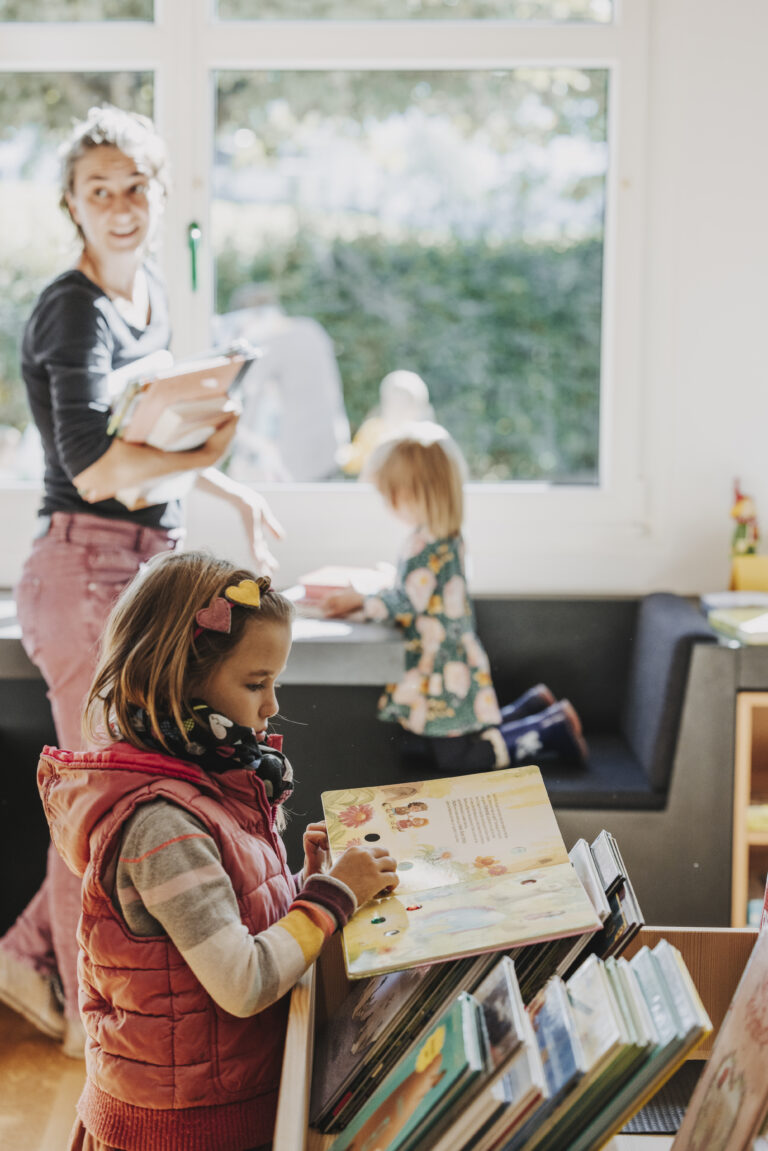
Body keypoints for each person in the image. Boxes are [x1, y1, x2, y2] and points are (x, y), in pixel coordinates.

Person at [0, 105, 283, 1058]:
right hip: (85, 569)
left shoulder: (148, 294)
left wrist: (231, 487)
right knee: (110, 804)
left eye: (135, 187)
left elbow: (149, 437)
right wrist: (210, 443)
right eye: (99, 191)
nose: (120, 206)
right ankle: (95, 1026)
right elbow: (97, 467)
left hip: (140, 570)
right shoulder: (70, 307)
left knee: (120, 788)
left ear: (161, 196)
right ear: (73, 207)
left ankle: (29, 954)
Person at [37, 550, 399, 1151]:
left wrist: (308, 882)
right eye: (256, 683)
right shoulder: (162, 828)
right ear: (174, 684)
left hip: (224, 1107)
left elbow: (235, 920)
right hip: (178, 1133)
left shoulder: (212, 784)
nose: (272, 705)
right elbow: (243, 979)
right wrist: (334, 897)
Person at [321, 422, 587, 774]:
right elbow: (421, 592)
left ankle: (550, 728)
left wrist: (360, 601)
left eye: (390, 494)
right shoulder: (444, 538)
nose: (386, 503)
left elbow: (406, 602)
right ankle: (533, 706)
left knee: (457, 759)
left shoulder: (424, 548)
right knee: (461, 730)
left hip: (442, 671)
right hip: (452, 658)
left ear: (413, 493)